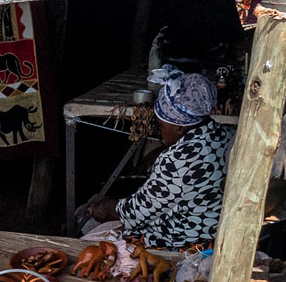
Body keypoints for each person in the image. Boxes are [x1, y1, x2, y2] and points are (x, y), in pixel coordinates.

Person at [83, 65, 233, 248]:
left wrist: (103, 208)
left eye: (161, 126)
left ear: (180, 128)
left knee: (90, 241)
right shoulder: (227, 135)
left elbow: (135, 214)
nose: (160, 131)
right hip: (215, 231)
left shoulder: (178, 160)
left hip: (185, 243)